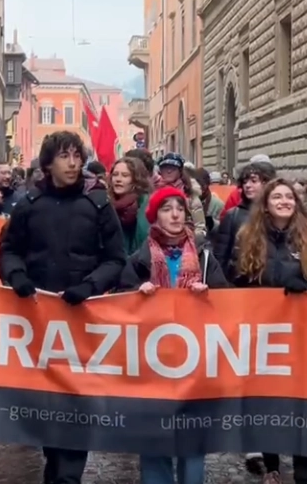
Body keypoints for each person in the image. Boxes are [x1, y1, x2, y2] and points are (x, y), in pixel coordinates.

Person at [0, 130, 127, 484]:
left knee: (75, 409)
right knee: (46, 410)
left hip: (83, 321)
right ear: (48, 162)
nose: (72, 163)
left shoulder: (98, 203)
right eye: (64, 156)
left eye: (77, 156)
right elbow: (8, 250)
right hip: (38, 322)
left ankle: (67, 476)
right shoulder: (28, 204)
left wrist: (90, 285)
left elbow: (116, 259)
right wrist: (17, 276)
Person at [229, 179, 307, 484]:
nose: (283, 201)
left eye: (289, 196)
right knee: (266, 401)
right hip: (263, 337)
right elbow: (233, 282)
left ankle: (303, 471)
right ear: (265, 204)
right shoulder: (248, 238)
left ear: (297, 202)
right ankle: (272, 466)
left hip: (302, 337)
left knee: (301, 406)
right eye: (276, 196)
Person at [117, 186, 229, 484]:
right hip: (151, 364)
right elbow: (117, 302)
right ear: (154, 217)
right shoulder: (139, 259)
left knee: (192, 440)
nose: (176, 214)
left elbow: (229, 301)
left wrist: (210, 295)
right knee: (154, 439)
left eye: (179, 208)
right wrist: (135, 294)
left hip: (194, 364)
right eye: (167, 209)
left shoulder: (205, 258)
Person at [214, 160, 276, 275]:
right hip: (239, 284)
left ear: (267, 183)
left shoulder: (277, 215)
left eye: (253, 181)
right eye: (245, 181)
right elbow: (220, 257)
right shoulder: (233, 216)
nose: (247, 185)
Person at [154, 153, 207, 240]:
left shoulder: (190, 195)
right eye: (165, 167)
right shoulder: (154, 193)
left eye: (173, 168)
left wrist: (189, 243)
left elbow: (200, 227)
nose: (169, 171)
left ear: (180, 171)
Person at [109, 157, 152, 254]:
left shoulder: (146, 204)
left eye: (125, 175)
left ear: (136, 179)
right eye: (115, 175)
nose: (118, 179)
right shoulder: (107, 204)